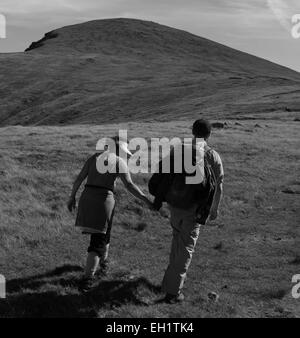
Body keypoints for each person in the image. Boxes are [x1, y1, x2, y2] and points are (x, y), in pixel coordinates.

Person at [67, 136, 153, 291]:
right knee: (98, 241)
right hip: (103, 201)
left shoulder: (94, 158)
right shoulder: (119, 162)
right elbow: (129, 185)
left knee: (104, 234)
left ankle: (104, 264)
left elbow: (79, 178)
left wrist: (72, 197)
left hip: (87, 197)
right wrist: (146, 200)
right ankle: (88, 279)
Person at [160, 119, 224, 303]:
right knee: (186, 247)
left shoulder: (179, 150)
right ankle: (173, 292)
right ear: (209, 134)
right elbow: (219, 186)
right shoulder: (212, 155)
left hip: (175, 204)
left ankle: (168, 284)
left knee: (177, 242)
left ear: (192, 132)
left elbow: (165, 173)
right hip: (194, 209)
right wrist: (215, 208)